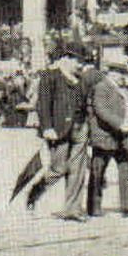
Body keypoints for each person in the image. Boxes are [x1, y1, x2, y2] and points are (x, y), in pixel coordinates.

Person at [37, 44, 91, 221]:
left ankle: (72, 209)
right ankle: (33, 193)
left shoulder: (80, 79)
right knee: (58, 169)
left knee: (78, 170)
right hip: (59, 130)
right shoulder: (50, 77)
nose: (81, 66)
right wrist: (47, 127)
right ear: (67, 59)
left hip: (80, 128)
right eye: (79, 61)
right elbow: (43, 104)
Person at [85, 63, 128, 217]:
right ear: (109, 73)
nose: (121, 75)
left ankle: (127, 206)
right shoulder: (101, 87)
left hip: (125, 136)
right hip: (106, 135)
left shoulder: (124, 90)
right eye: (118, 72)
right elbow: (101, 110)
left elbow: (127, 110)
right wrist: (119, 123)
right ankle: (94, 207)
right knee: (98, 171)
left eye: (123, 72)